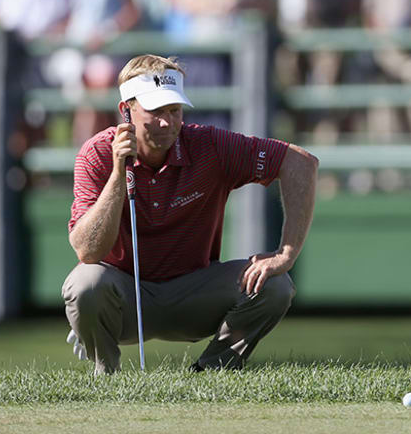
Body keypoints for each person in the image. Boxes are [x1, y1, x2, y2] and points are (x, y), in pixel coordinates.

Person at [62, 54, 319, 375]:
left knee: (275, 285)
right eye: (155, 111)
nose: (168, 123)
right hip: (123, 299)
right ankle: (106, 377)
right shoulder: (97, 154)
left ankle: (211, 372)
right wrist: (117, 173)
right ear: (126, 110)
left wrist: (287, 253)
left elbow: (300, 163)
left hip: (194, 292)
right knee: (85, 284)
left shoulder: (208, 145)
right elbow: (88, 251)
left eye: (175, 111)